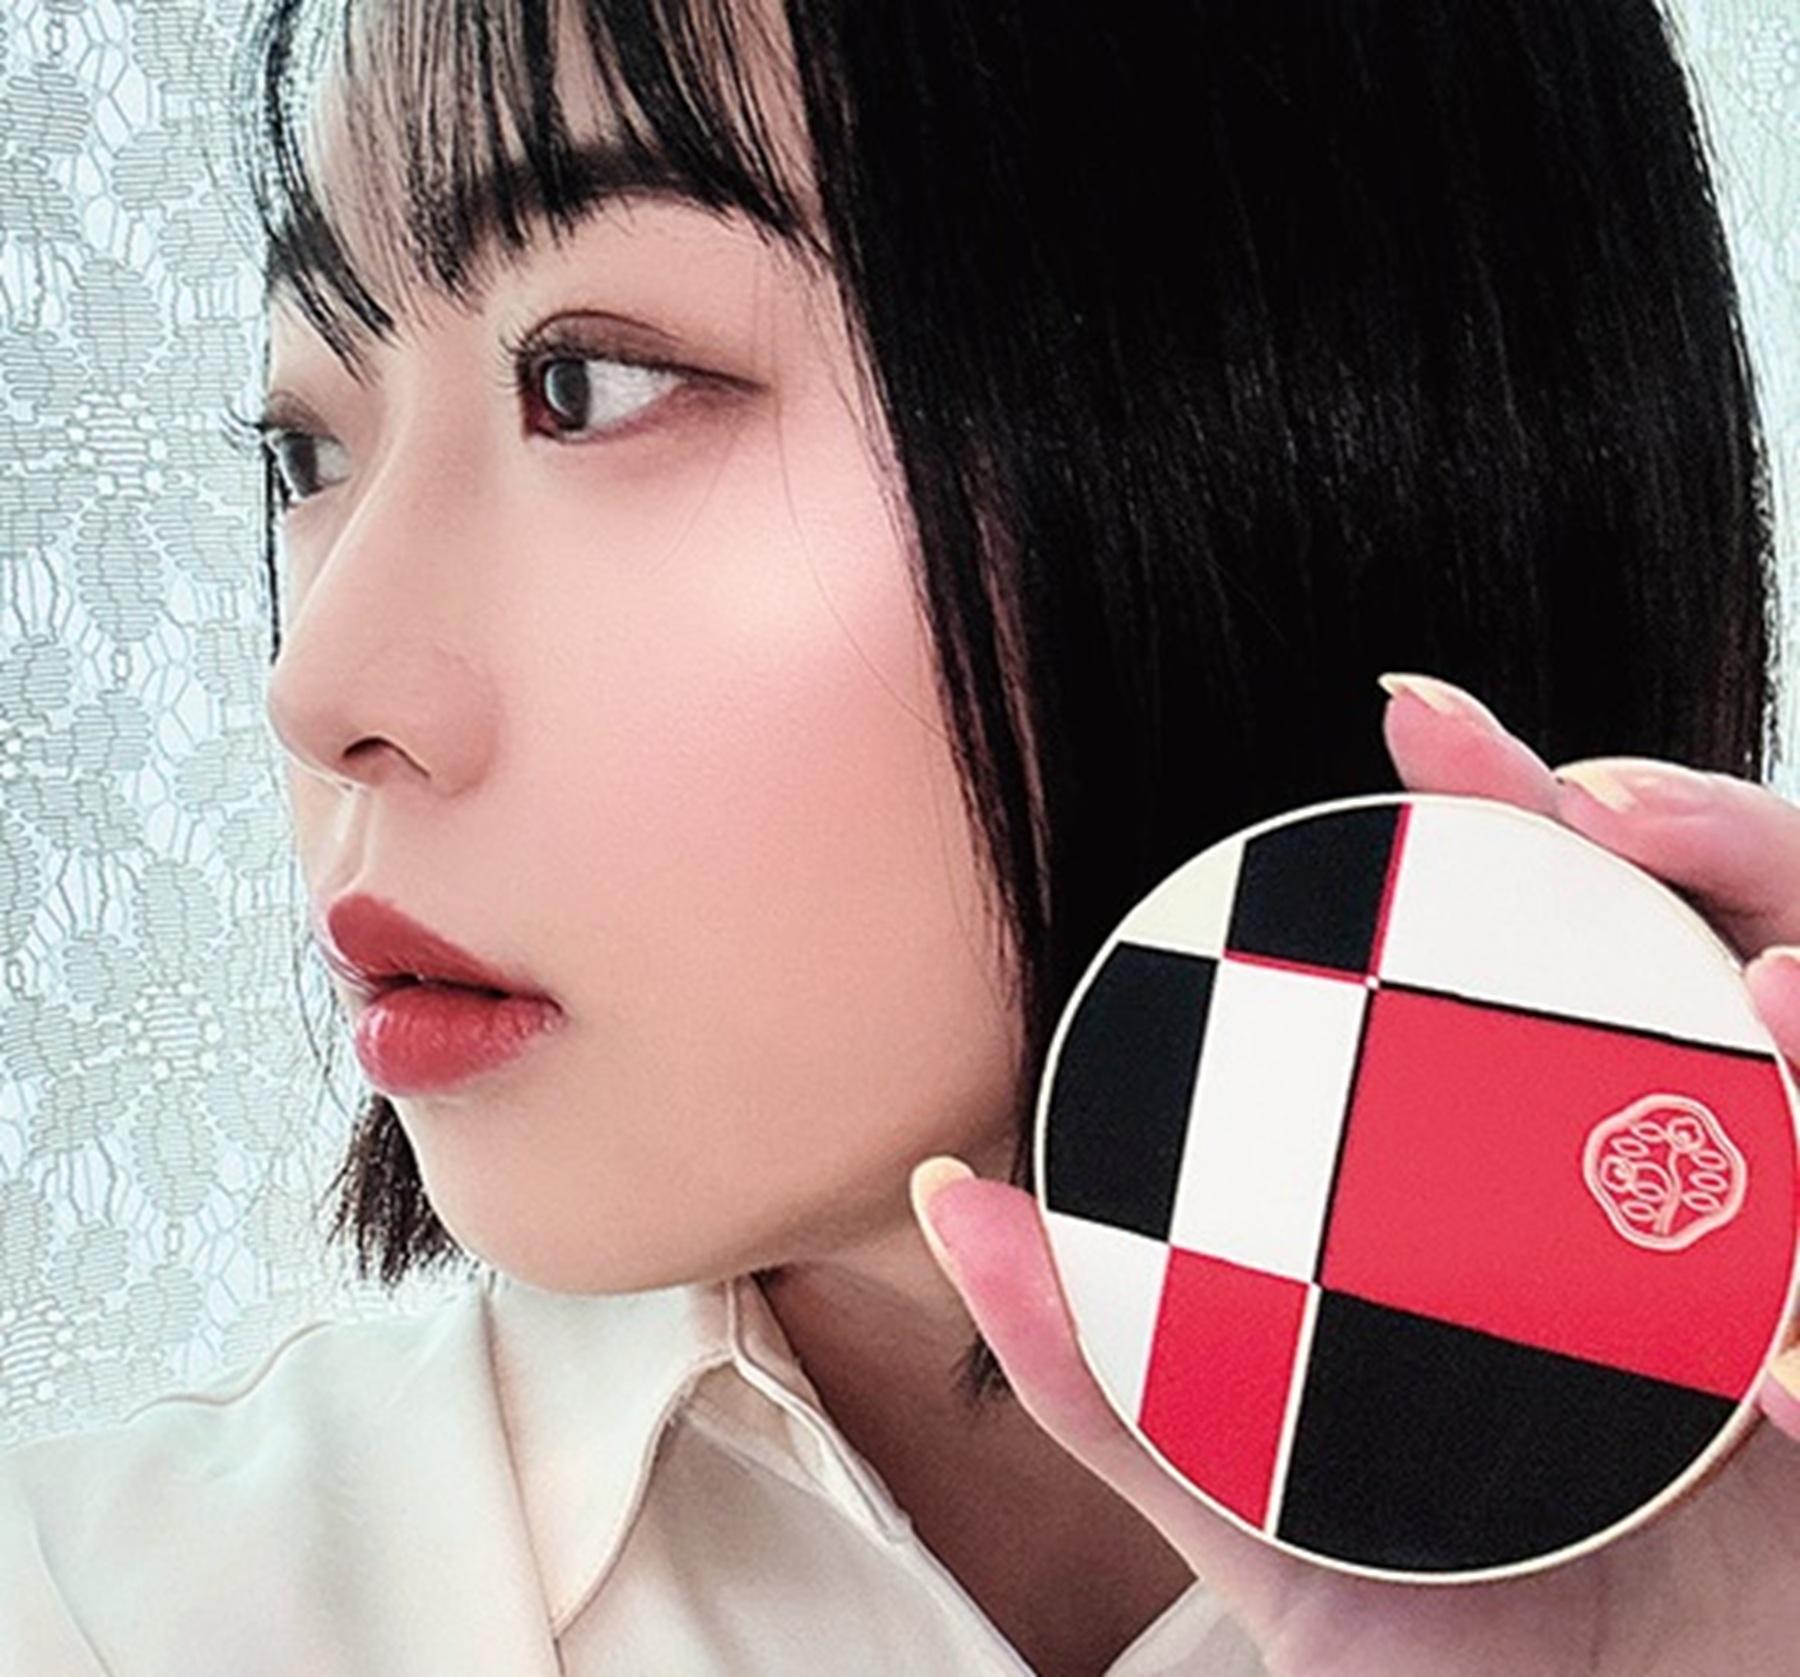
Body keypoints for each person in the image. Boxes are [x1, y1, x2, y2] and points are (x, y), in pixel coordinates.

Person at [2, 0, 1797, 1672]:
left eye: (589, 381)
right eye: (306, 450)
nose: (319, 686)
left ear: (1309, 412)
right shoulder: (100, 1610)